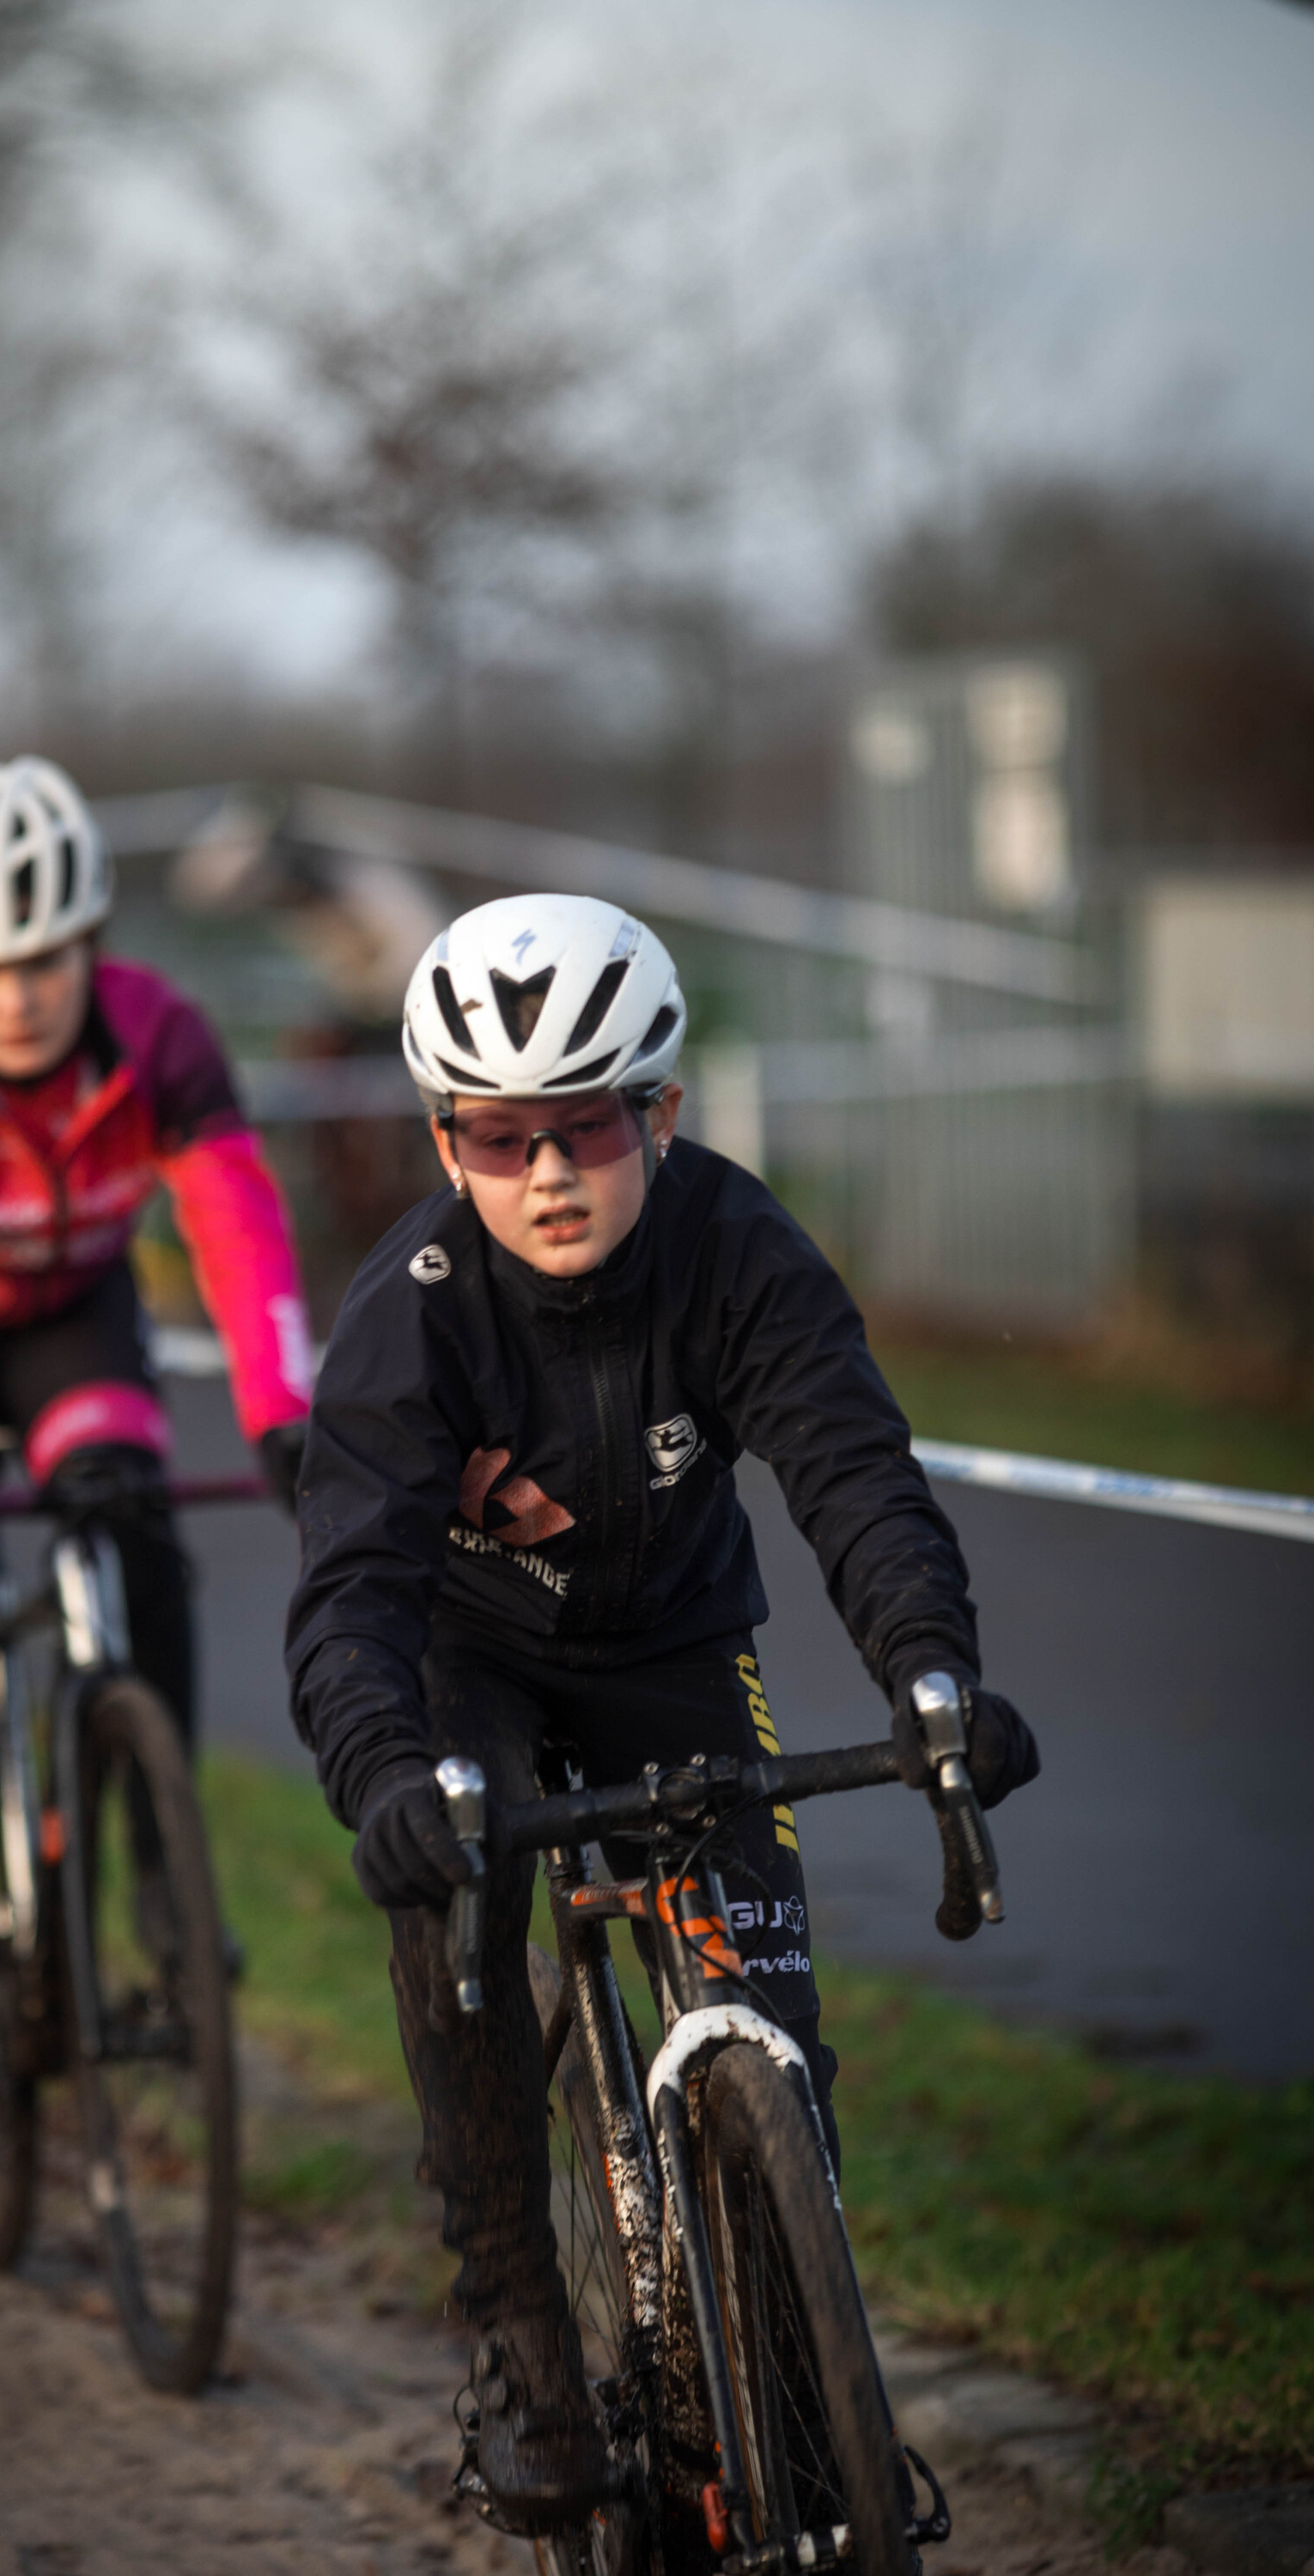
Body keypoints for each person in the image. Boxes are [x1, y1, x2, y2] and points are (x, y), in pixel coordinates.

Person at [285, 892, 1040, 2534]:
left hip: (679, 1645)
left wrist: (931, 1678)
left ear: (665, 1113)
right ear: (445, 1140)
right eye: (498, 1138)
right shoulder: (409, 1311)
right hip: (467, 1659)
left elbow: (853, 1472)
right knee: (460, 1928)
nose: (547, 1172)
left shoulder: (735, 1247)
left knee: (778, 2027)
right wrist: (385, 1778)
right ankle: (520, 2343)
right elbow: (347, 1589)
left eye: (590, 1125)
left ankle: (785, 2399)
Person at [0, 756, 313, 2126]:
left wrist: (282, 1413)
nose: (16, 993)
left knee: (133, 1524)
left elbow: (238, 1230)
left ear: (89, 940)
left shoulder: (163, 1038)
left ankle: (158, 1872)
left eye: (41, 956)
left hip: (64, 1327)